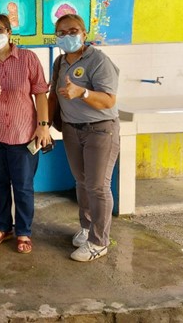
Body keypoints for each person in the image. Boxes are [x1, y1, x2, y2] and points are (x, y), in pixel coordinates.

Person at [0, 13, 50, 254]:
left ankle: (24, 231)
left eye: (0, 30)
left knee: (23, 186)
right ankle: (2, 227)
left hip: (23, 134)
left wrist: (43, 125)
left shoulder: (28, 58)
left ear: (9, 32)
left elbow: (40, 93)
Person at [48, 14, 120, 262]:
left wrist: (83, 92)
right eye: (62, 33)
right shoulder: (59, 63)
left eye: (73, 31)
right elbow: (53, 97)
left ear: (84, 33)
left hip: (100, 129)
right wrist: (44, 125)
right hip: (71, 130)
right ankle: (87, 227)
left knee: (98, 186)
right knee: (81, 181)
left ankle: (99, 242)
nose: (67, 36)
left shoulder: (98, 61)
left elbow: (109, 100)